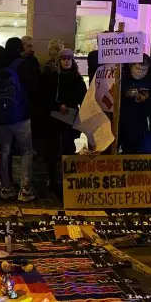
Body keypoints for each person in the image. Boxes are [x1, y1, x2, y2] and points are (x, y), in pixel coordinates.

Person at [0, 38, 37, 202]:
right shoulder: (22, 64)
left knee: (4, 151)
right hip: (21, 116)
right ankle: (25, 189)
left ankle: (5, 187)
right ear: (19, 49)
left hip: (2, 118)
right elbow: (32, 89)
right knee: (26, 151)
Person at [41, 48, 87, 196]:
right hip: (54, 119)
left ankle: (68, 177)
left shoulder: (77, 79)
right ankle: (52, 178)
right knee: (52, 150)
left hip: (70, 118)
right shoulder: (53, 78)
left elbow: (83, 98)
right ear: (59, 61)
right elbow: (46, 97)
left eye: (69, 58)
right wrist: (57, 105)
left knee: (68, 147)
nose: (66, 61)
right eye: (63, 58)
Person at [118, 54, 151, 154]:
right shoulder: (121, 79)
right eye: (138, 69)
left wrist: (146, 99)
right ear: (131, 66)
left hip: (138, 124)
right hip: (120, 121)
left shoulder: (149, 82)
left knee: (133, 152)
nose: (141, 73)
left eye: (145, 70)